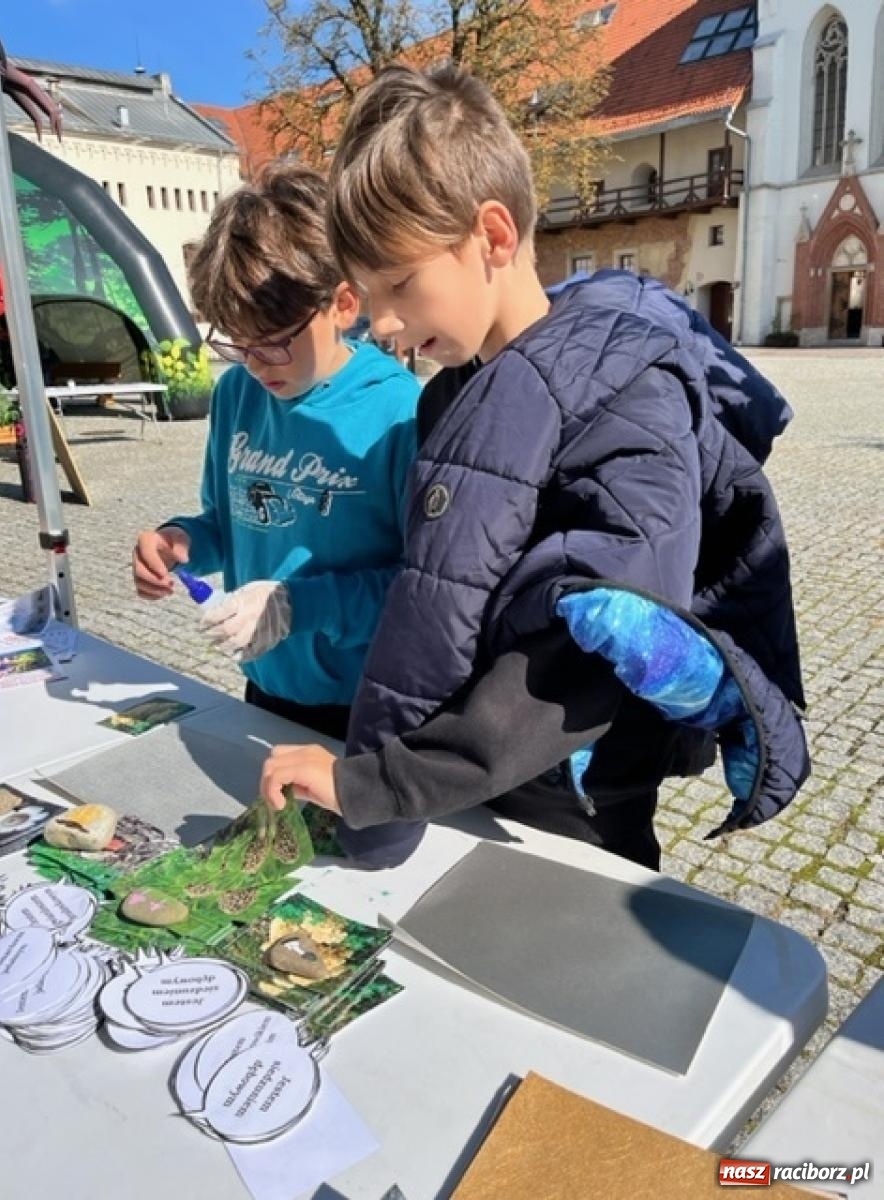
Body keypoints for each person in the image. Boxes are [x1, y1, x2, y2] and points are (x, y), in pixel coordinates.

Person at [260, 65, 809, 865]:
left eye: (400, 284)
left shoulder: (630, 397)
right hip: (466, 786)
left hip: (578, 803)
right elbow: (441, 600)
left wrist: (380, 783)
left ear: (491, 235)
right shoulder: (448, 399)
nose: (381, 323)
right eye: (369, 292)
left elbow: (582, 662)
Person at [132, 162, 419, 741]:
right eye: (237, 343)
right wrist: (180, 540)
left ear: (341, 305)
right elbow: (224, 519)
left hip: (363, 703)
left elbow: (419, 588)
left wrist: (298, 605)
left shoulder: (400, 412)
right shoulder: (237, 391)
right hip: (265, 684)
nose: (257, 365)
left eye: (273, 344)